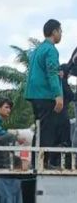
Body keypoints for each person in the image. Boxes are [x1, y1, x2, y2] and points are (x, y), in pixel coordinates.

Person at [25, 19, 64, 167]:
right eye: (60, 31)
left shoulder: (37, 50)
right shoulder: (51, 49)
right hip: (45, 94)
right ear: (54, 31)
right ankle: (43, 162)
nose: (61, 34)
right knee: (48, 129)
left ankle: (37, 162)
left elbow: (43, 71)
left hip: (34, 95)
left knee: (40, 128)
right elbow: (51, 72)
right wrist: (58, 95)